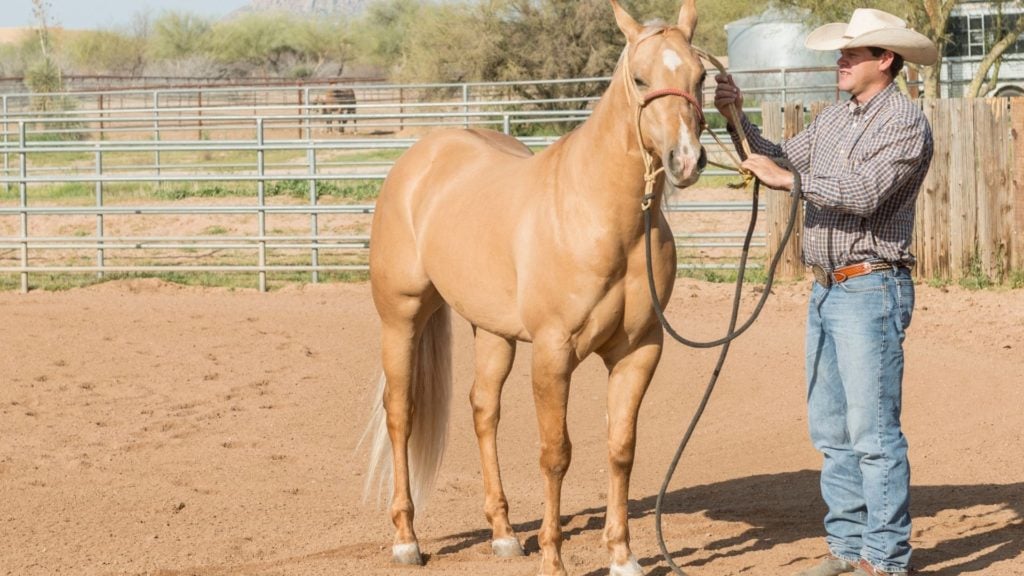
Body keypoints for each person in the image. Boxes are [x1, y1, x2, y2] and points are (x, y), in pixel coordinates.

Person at [714, 8, 937, 576]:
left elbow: (863, 192)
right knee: (833, 431)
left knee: (874, 434)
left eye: (851, 54)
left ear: (884, 60)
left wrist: (789, 180)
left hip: (871, 287)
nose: (840, 61)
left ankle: (885, 560)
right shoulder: (838, 119)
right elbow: (782, 157)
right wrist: (735, 114)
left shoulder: (905, 123)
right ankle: (846, 547)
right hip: (828, 290)